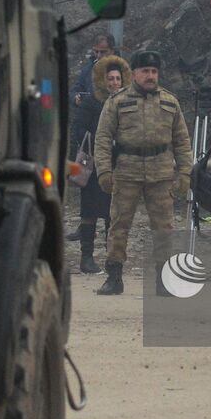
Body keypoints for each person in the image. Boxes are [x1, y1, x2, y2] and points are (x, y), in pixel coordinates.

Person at [93, 50, 193, 296]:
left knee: (163, 227)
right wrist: (104, 171)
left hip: (161, 173)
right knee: (118, 225)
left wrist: (185, 173)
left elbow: (182, 141)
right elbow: (103, 138)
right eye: (145, 71)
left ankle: (163, 279)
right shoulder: (117, 102)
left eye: (154, 72)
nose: (150, 76)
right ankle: (114, 277)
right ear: (134, 74)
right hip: (127, 172)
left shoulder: (170, 102)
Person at [70, 55, 130, 273]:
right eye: (110, 79)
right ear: (103, 80)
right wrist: (101, 140)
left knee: (113, 213)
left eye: (117, 79)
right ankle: (86, 257)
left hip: (118, 165)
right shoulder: (91, 102)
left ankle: (111, 258)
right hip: (93, 164)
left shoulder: (127, 103)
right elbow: (79, 129)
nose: (114, 83)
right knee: (89, 211)